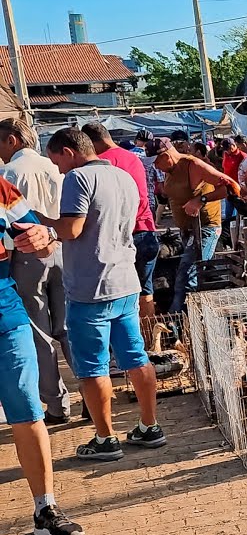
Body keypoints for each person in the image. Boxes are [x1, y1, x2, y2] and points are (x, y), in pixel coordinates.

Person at [44, 128, 164, 462]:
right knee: (136, 357)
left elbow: (71, 229)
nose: (58, 169)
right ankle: (149, 425)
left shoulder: (78, 178)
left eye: (57, 161)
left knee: (92, 368)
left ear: (68, 152)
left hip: (90, 287)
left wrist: (40, 220)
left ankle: (105, 437)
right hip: (125, 279)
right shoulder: (123, 175)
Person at [0, 165, 84, 535]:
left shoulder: (2, 189)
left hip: (6, 317)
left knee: (28, 412)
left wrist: (42, 235)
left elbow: (45, 239)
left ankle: (45, 508)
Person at [0, 118, 73, 425]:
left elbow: (10, 227)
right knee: (68, 326)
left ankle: (57, 404)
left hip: (26, 255)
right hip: (57, 245)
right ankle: (94, 393)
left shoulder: (9, 173)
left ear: (12, 140)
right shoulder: (52, 165)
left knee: (39, 331)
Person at [81, 123, 160, 322]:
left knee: (118, 294)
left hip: (122, 235)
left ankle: (126, 342)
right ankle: (149, 342)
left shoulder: (101, 164)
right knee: (145, 290)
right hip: (147, 230)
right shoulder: (133, 157)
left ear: (92, 142)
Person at [154, 140, 237, 314]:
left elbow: (229, 187)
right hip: (187, 230)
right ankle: (201, 313)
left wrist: (201, 200)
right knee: (195, 271)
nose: (156, 167)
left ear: (166, 156)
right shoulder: (170, 170)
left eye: (156, 162)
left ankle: (179, 318)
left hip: (205, 227)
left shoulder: (193, 165)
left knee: (186, 275)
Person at [132, 129, 160, 218]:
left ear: (136, 140)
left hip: (131, 198)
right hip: (148, 199)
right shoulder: (154, 156)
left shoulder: (127, 154)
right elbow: (160, 179)